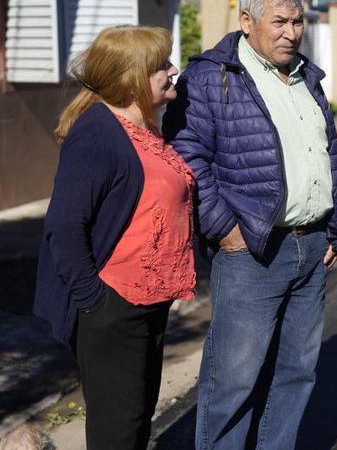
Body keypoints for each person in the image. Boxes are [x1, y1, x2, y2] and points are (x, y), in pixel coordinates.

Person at [162, 0, 337, 450]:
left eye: (297, 21)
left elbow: (327, 153)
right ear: (246, 21)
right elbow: (187, 156)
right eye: (280, 22)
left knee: (296, 373)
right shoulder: (210, 77)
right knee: (233, 380)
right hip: (251, 252)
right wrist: (222, 226)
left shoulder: (307, 75)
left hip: (311, 248)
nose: (292, 32)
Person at [33, 25, 195, 450]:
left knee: (137, 421)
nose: (172, 70)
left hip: (150, 301)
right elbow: (64, 226)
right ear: (131, 78)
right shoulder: (98, 134)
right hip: (114, 306)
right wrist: (96, 300)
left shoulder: (145, 129)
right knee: (116, 432)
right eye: (161, 66)